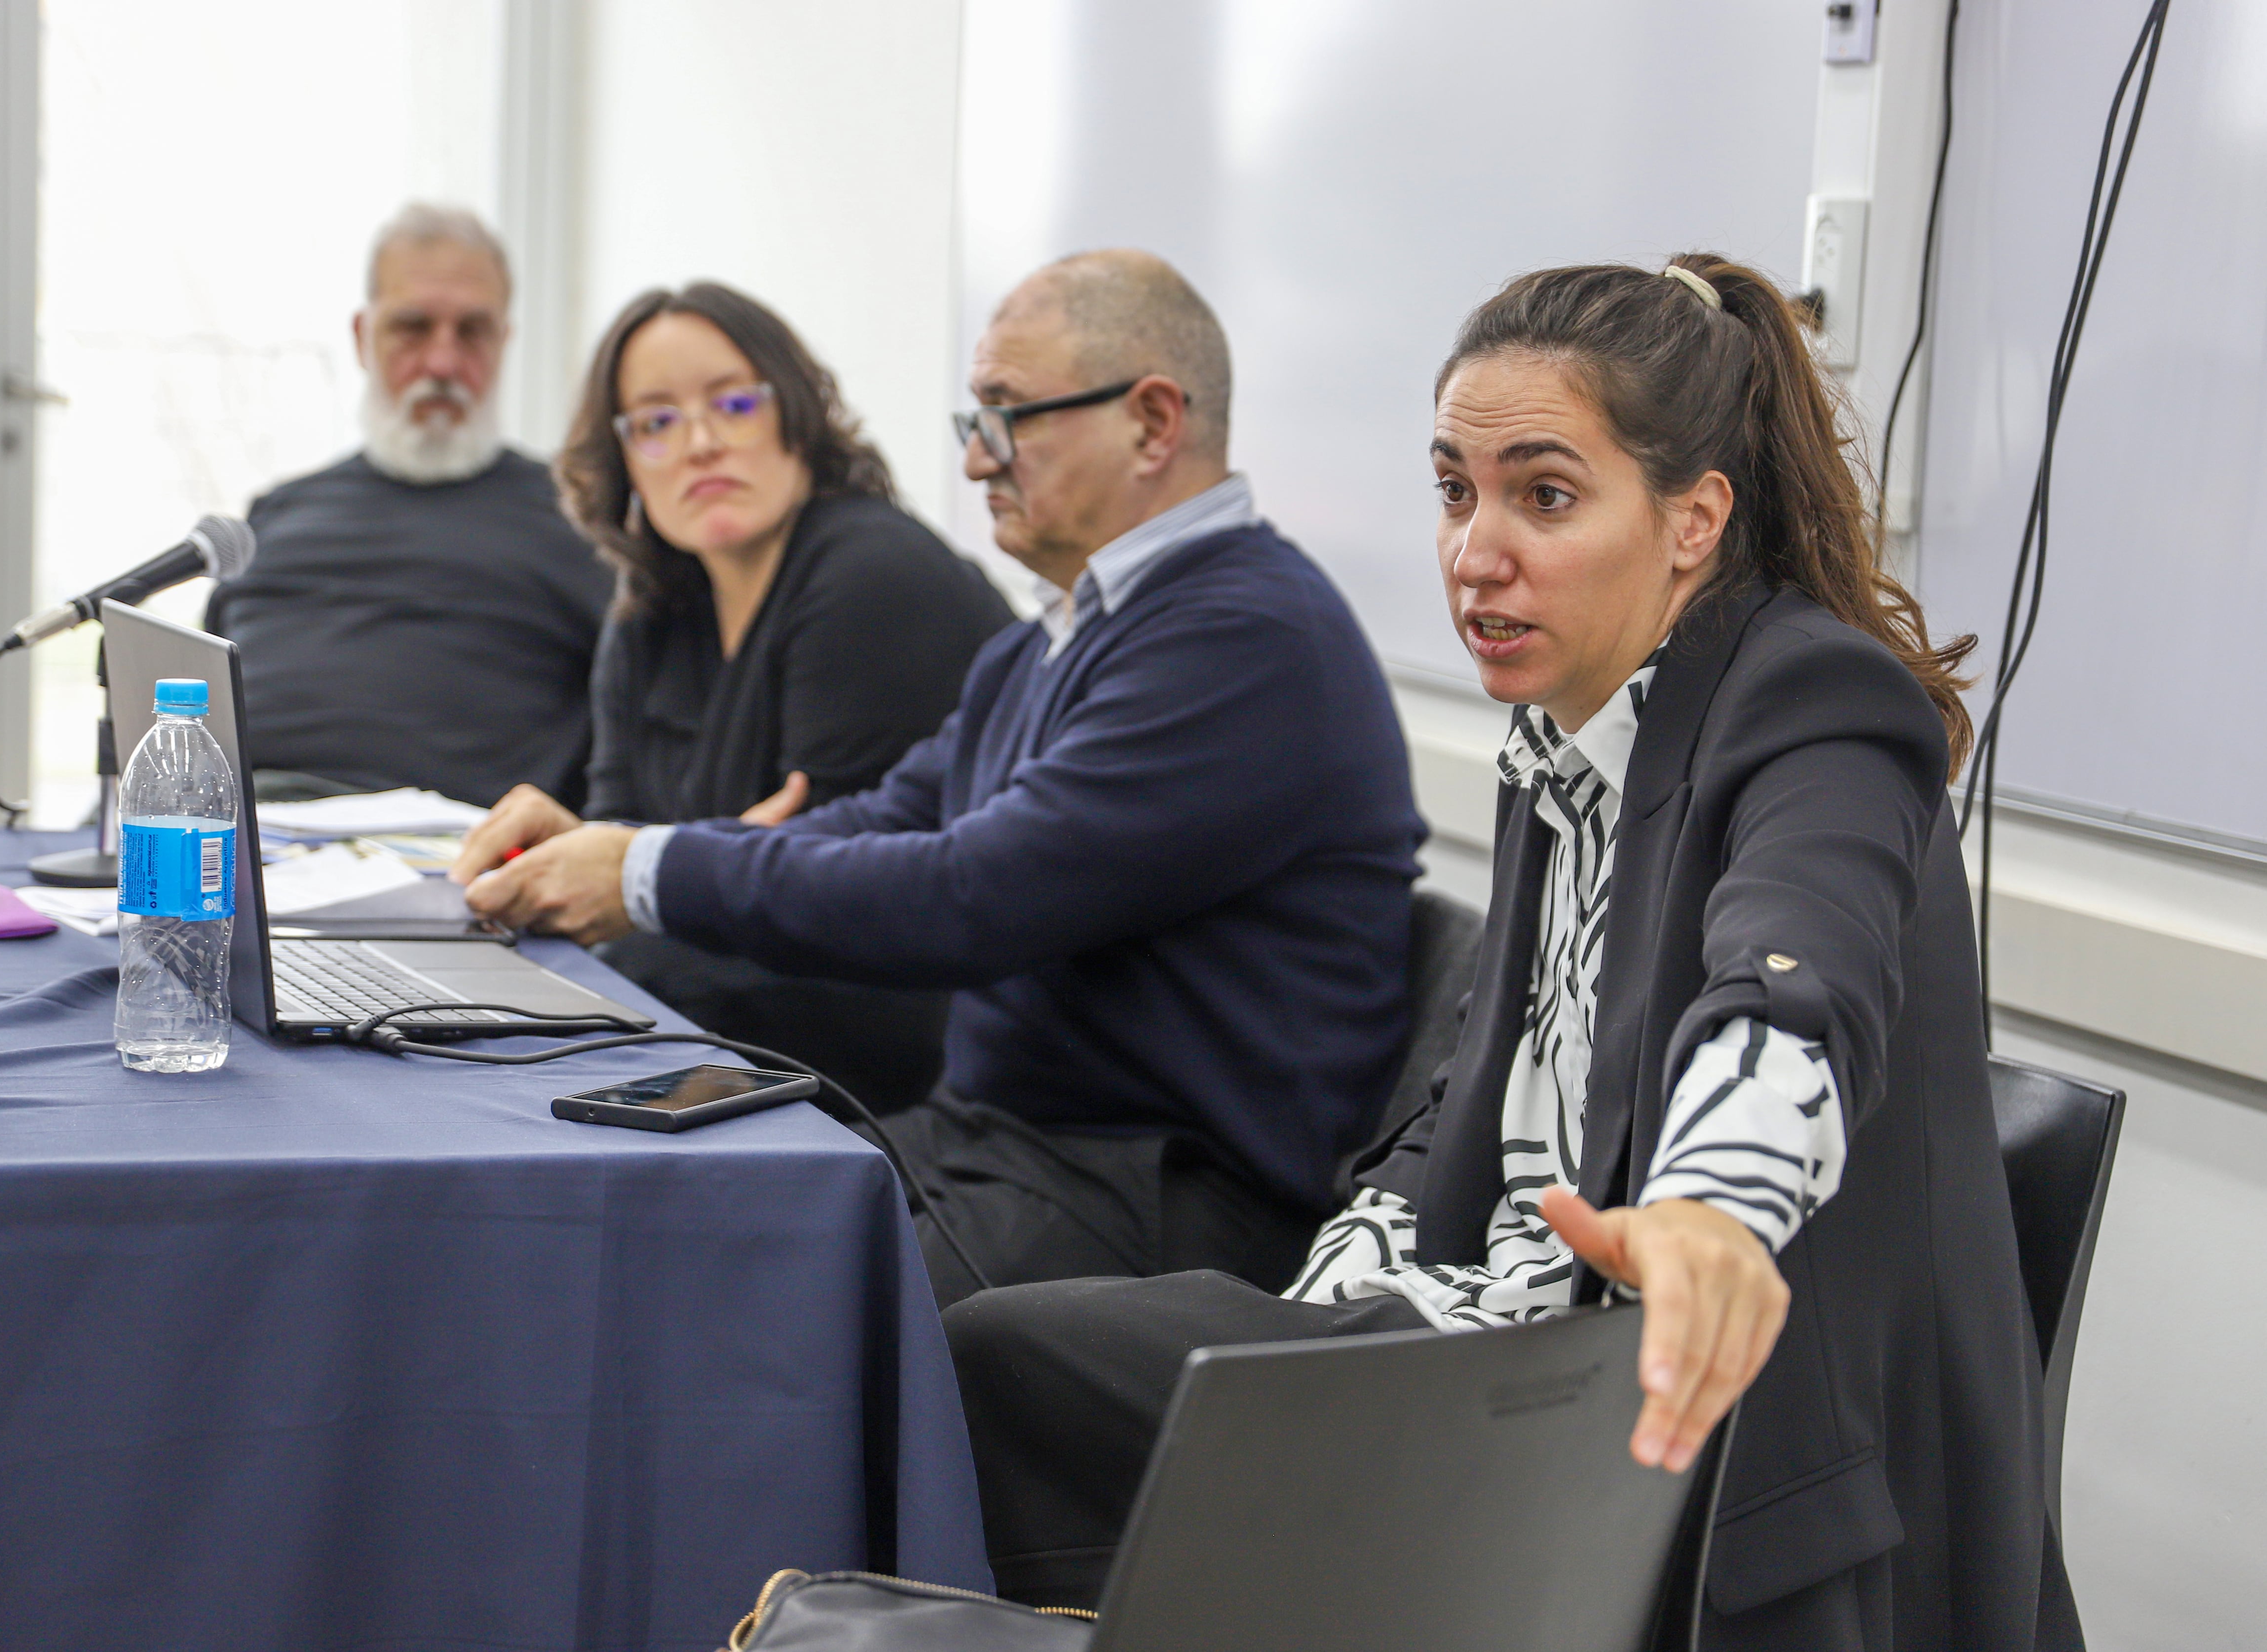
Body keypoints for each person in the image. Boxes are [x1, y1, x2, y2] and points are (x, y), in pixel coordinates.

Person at [940, 255, 2070, 1651]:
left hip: (1654, 1420)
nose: (1477, 550)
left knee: (998, 1361)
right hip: (1506, 1336)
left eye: (1544, 495)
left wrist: (1713, 1211)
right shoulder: (1568, 732)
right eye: (1454, 490)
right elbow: (1477, 1084)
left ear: (1693, 519)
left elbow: (1793, 978)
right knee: (1009, 1352)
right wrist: (1331, 1287)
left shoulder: (1818, 699)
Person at [451, 250, 1425, 1306]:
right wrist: (617, 859)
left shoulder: (1244, 637)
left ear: (1151, 422)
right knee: (623, 1214)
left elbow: (971, 895)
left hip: (1151, 1193)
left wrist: (643, 869)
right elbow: (887, 820)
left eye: (1005, 416)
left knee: (699, 1306)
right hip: (996, 1146)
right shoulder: (1050, 641)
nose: (975, 463)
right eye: (976, 421)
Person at [542, 281, 1017, 1110]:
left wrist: (652, 868)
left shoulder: (873, 574)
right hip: (722, 1015)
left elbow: (833, 907)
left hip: (894, 1044)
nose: (700, 443)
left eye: (733, 403)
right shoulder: (648, 611)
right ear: (623, 464)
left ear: (795, 414)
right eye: (655, 422)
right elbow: (621, 852)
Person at [205, 204, 612, 808]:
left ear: (504, 343)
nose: (443, 363)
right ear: (362, 339)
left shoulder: (581, 518)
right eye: (412, 328)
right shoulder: (277, 516)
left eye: (472, 331)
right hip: (240, 841)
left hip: (450, 861)